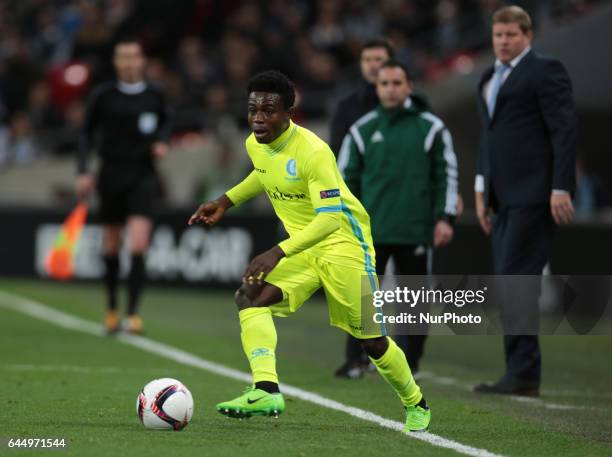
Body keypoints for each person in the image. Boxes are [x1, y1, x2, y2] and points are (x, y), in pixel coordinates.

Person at [188, 70, 431, 432]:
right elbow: (264, 172)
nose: (258, 117)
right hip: (303, 247)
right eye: (253, 109)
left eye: (269, 110)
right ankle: (266, 389)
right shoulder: (256, 143)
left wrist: (276, 252)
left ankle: (416, 403)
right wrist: (226, 200)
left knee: (371, 340)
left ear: (289, 111)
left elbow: (330, 221)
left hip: (345, 246)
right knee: (250, 296)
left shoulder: (314, 152)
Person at [473, 6, 576, 396]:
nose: (503, 41)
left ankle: (523, 373)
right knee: (511, 281)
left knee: (517, 279)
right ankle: (521, 372)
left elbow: (564, 130)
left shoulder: (546, 71)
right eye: (498, 35)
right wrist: (482, 191)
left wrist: (560, 187)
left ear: (527, 36)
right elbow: (489, 139)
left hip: (535, 195)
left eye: (511, 35)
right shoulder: (487, 77)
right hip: (501, 200)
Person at [338, 60, 458, 375]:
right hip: (368, 233)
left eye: (396, 83)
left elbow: (446, 174)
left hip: (415, 230)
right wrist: (343, 223)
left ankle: (411, 362)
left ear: (409, 86)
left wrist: (445, 217)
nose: (390, 89)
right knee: (361, 299)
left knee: (414, 303)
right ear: (376, 88)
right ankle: (357, 360)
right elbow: (343, 180)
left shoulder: (430, 127)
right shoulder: (362, 129)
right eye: (384, 84)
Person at [76, 38, 171, 335]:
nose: (129, 62)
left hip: (142, 174)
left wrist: (162, 142)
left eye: (134, 56)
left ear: (142, 61)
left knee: (139, 242)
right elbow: (86, 134)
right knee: (112, 243)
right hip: (111, 174)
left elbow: (167, 123)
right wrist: (83, 170)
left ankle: (133, 313)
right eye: (123, 57)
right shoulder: (104, 95)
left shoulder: (155, 94)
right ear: (116, 62)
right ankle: (112, 308)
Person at [329, 38, 394, 379]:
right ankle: (356, 356)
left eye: (379, 59)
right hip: (359, 210)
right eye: (367, 58)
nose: (373, 65)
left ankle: (406, 360)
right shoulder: (348, 106)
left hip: (398, 208)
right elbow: (335, 160)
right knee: (361, 286)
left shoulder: (410, 109)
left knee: (407, 285)